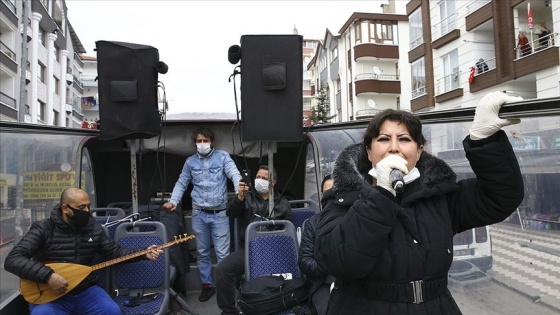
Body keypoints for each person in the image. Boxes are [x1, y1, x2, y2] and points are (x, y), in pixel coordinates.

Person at [315, 91, 525, 314]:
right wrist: (381, 195)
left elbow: (500, 197)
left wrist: (484, 141)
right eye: (384, 139)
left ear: (419, 150)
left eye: (404, 139)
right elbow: (337, 260)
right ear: (369, 152)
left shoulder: (440, 194)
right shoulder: (343, 196)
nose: (394, 147)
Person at [4, 187, 162, 315]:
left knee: (111, 311)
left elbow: (114, 253)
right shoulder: (44, 228)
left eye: (88, 206)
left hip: (85, 291)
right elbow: (13, 259)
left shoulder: (93, 227)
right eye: (81, 207)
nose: (87, 211)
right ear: (65, 208)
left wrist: (143, 253)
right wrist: (49, 276)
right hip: (50, 294)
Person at [162, 128, 242, 302]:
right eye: (199, 141)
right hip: (199, 214)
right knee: (202, 252)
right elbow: (182, 182)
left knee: (223, 254)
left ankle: (224, 286)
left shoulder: (223, 157)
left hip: (220, 213)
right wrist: (173, 201)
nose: (202, 144)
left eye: (205, 140)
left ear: (212, 141)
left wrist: (240, 192)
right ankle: (207, 285)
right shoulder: (190, 162)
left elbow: (235, 175)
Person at [215, 165, 293, 315]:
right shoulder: (247, 198)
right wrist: (240, 197)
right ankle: (229, 311)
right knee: (222, 270)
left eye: (265, 178)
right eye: (258, 177)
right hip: (248, 251)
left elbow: (288, 232)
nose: (260, 180)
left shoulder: (283, 204)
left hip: (274, 251)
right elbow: (231, 213)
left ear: (273, 182)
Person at [298, 174, 334, 315]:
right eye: (326, 193)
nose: (331, 197)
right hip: (323, 284)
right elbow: (304, 261)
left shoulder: (355, 220)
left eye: (334, 191)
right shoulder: (312, 224)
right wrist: (328, 266)